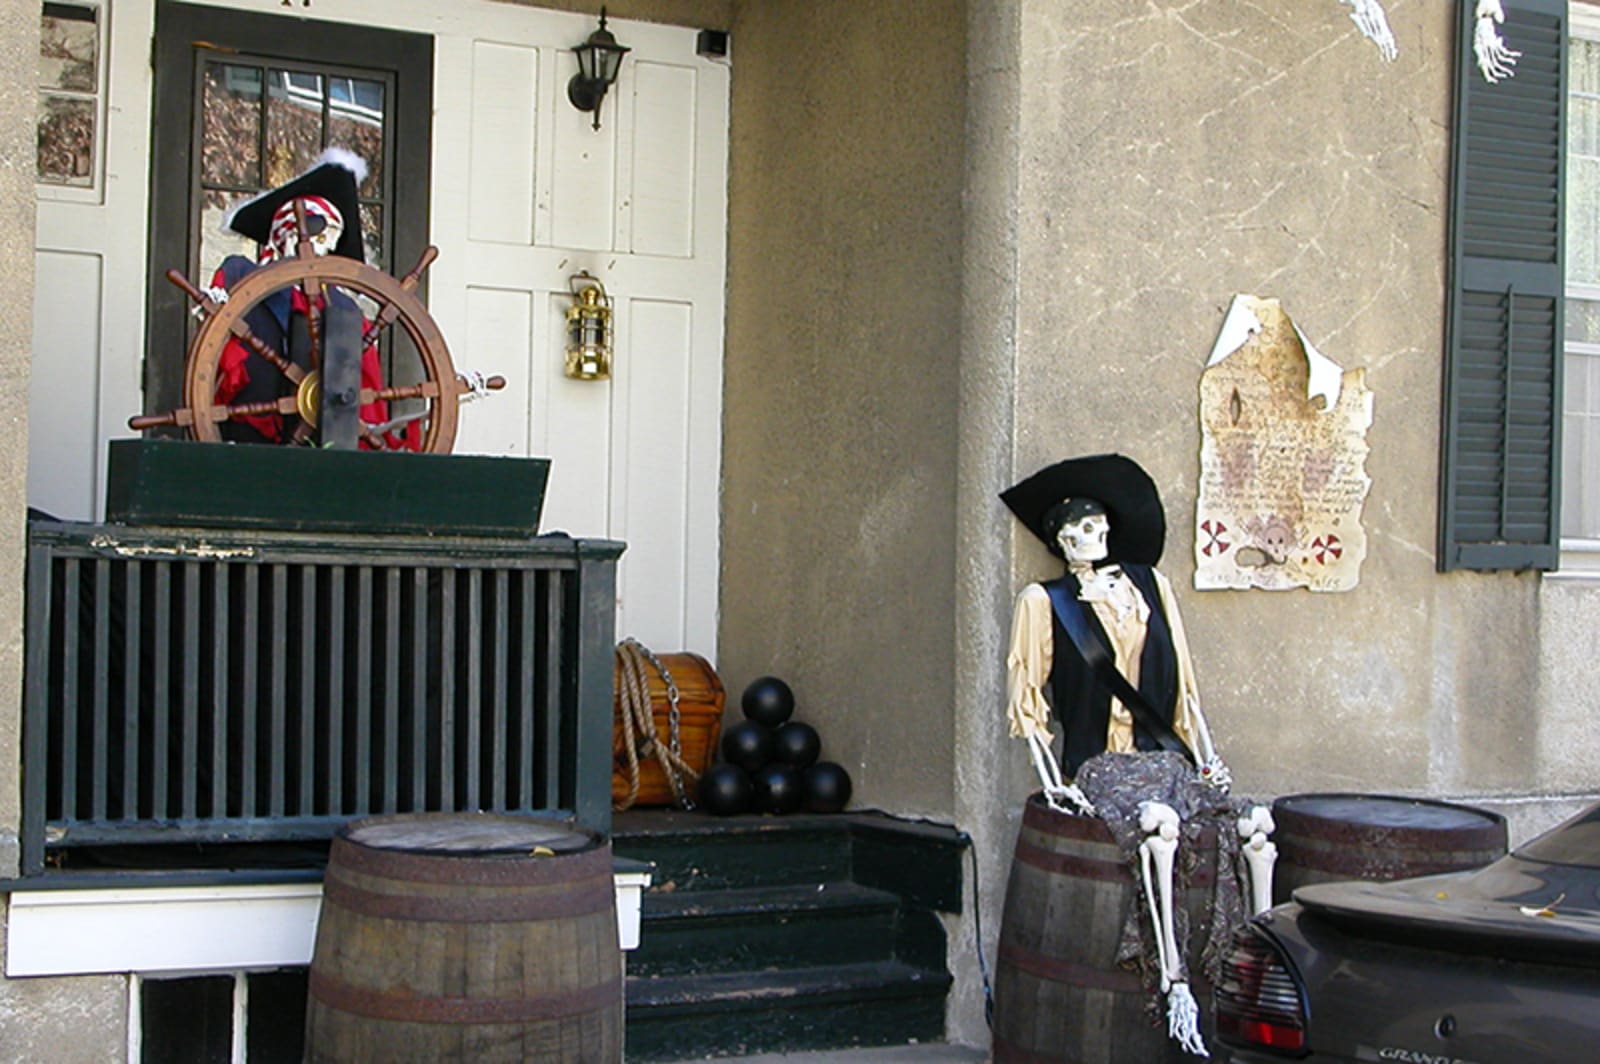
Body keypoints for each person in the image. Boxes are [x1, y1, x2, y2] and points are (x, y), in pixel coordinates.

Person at [999, 453, 1274, 1056]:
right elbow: (1029, 706)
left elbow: (1186, 686)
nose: (1086, 539)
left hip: (1164, 755)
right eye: (1072, 532)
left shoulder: (1152, 588)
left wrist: (1205, 755)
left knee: (1252, 825)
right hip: (1099, 764)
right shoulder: (1044, 602)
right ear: (1057, 541)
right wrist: (1056, 782)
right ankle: (1174, 982)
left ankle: (1258, 963)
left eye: (1095, 527)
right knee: (1160, 825)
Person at [206, 147, 416, 449]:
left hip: (325, 442)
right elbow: (217, 363)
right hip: (244, 438)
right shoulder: (241, 278)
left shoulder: (343, 308)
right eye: (315, 238)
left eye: (328, 243)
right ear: (287, 234)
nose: (321, 251)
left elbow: (363, 391)